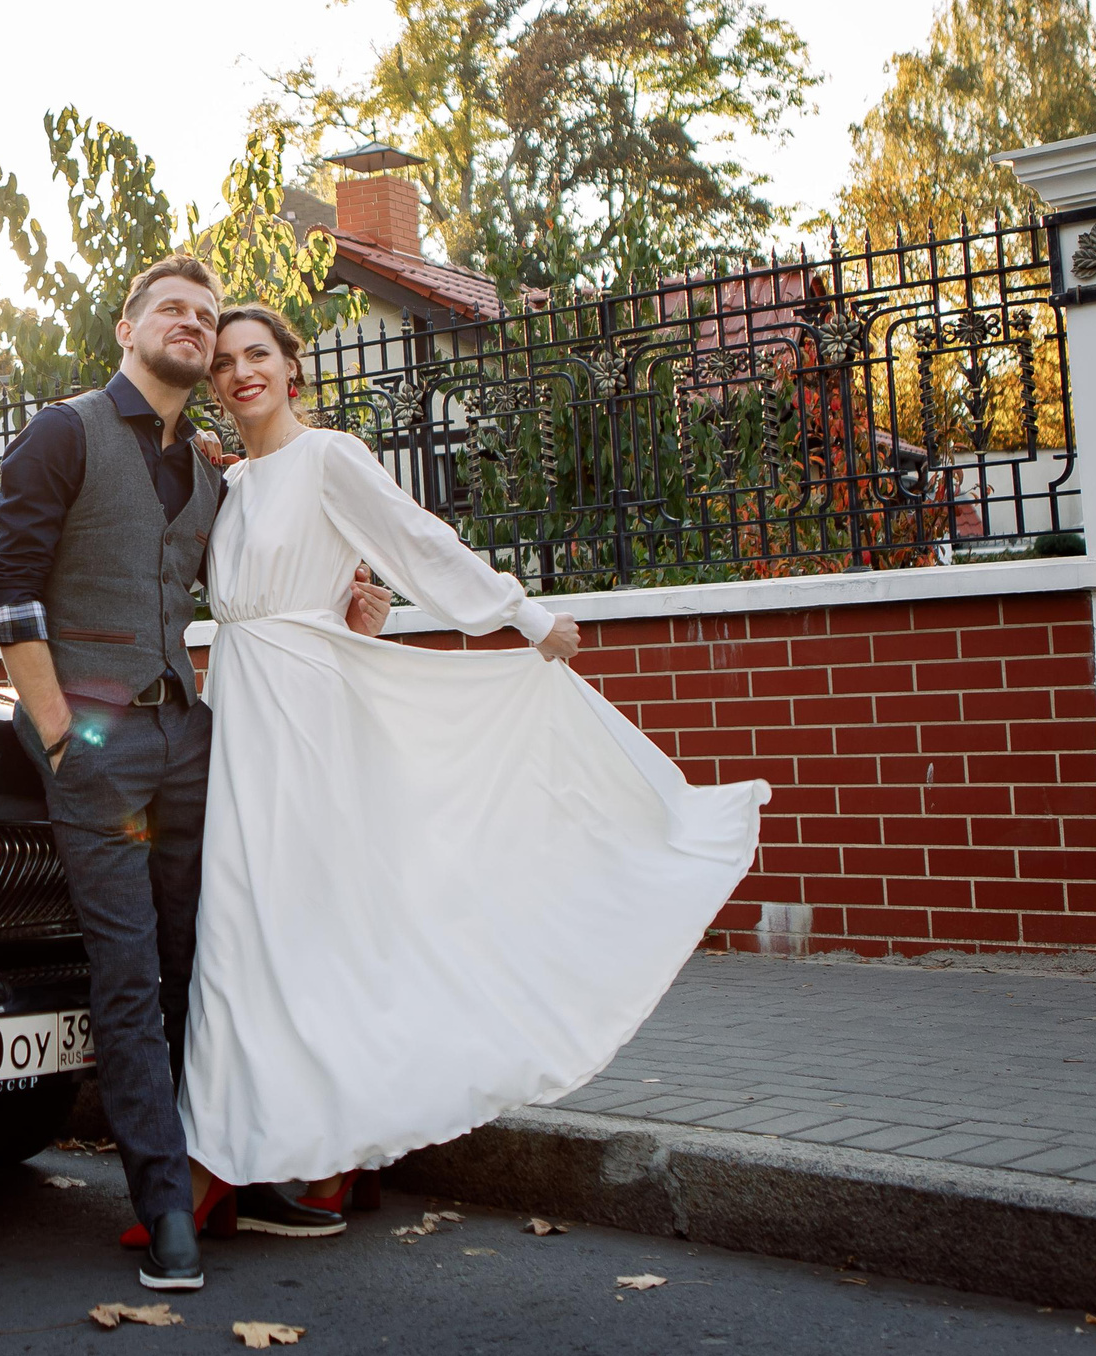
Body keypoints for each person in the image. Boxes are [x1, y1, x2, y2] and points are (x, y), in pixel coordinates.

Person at [173, 305, 769, 1218]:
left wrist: (524, 619)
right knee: (243, 929)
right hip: (241, 708)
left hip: (305, 723)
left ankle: (245, 1162)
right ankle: (275, 1148)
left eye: (258, 354)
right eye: (223, 361)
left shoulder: (331, 455)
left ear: (293, 367)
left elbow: (417, 540)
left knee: (283, 927)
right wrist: (342, 612)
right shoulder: (237, 481)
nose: (239, 371)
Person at [0, 257, 391, 1290]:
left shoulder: (209, 469)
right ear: (127, 324)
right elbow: (7, 595)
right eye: (174, 309)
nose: (193, 327)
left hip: (191, 741)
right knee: (127, 976)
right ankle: (164, 1202)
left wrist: (346, 607)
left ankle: (240, 1160)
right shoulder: (62, 432)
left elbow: (257, 574)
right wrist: (60, 732)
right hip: (100, 752)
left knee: (204, 960)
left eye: (207, 319)